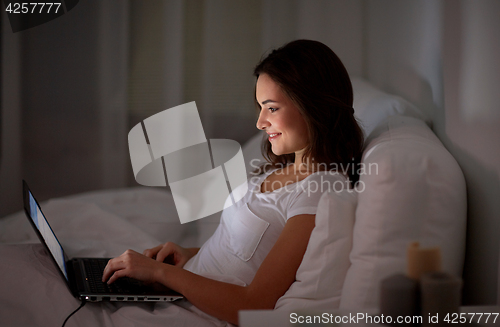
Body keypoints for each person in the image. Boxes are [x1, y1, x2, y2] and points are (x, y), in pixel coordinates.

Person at [102, 39, 364, 325]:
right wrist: (187, 255)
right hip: (182, 293)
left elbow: (254, 305)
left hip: (202, 314)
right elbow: (244, 252)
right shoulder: (285, 167)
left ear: (313, 106)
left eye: (272, 108)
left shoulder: (318, 191)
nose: (260, 122)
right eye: (261, 108)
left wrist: (161, 274)